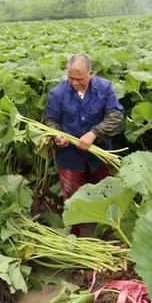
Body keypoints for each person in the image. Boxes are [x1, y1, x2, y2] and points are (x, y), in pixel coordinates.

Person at [46, 54, 124, 201]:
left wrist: (94, 133)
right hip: (69, 157)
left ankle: (105, 223)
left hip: (99, 155)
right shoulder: (57, 93)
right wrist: (57, 136)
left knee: (104, 196)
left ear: (90, 74)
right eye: (71, 78)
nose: (74, 83)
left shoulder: (105, 88)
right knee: (74, 200)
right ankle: (78, 224)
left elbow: (116, 115)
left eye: (79, 79)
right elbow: (52, 121)